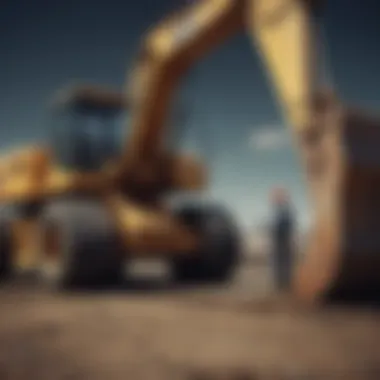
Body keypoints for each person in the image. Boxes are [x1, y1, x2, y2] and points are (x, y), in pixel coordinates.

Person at [270, 187, 296, 292]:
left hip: (283, 241)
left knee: (284, 263)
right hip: (279, 241)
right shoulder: (280, 211)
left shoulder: (285, 211)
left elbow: (287, 225)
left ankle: (284, 283)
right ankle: (281, 283)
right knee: (279, 263)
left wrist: (276, 229)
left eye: (277, 197)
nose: (274, 200)